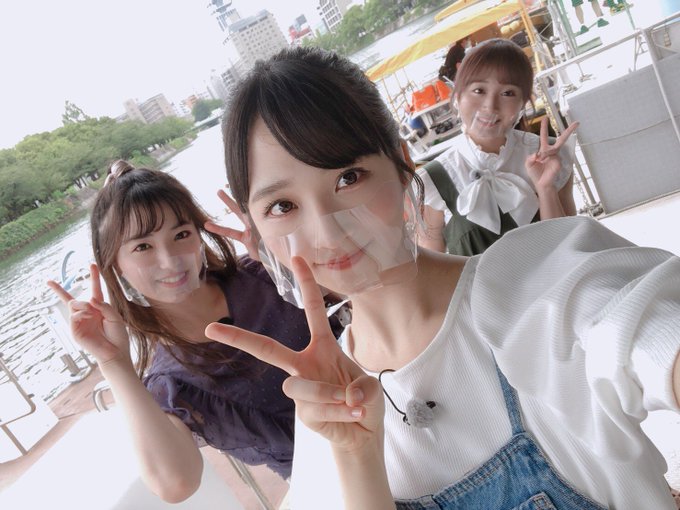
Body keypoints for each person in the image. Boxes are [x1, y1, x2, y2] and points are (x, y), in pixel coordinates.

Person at [206, 46, 680, 509]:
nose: (326, 233)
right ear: (257, 228)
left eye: (348, 178)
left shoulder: (534, 284)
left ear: (401, 165)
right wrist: (355, 453)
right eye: (282, 206)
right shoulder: (322, 406)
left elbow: (644, 328)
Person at [47, 161, 340, 502]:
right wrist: (114, 362)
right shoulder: (173, 383)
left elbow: (364, 301)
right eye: (143, 247)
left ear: (199, 235)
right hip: (330, 489)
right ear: (116, 265)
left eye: (181, 235)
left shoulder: (261, 274)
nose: (170, 261)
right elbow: (175, 484)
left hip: (386, 407)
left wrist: (284, 259)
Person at [420, 39, 579, 256]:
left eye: (507, 93)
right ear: (458, 96)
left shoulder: (553, 155)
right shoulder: (433, 180)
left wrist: (545, 189)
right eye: (479, 90)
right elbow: (432, 267)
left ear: (523, 103)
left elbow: (572, 246)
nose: (490, 106)